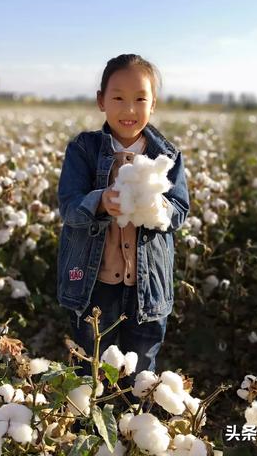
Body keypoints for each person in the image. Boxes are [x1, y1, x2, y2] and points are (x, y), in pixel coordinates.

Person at [57, 54, 190, 386]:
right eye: (118, 98)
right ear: (101, 101)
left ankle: (132, 429)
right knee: (88, 364)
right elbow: (69, 208)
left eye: (140, 99)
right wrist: (100, 201)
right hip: (95, 284)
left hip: (147, 287)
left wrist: (160, 209)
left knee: (140, 370)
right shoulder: (83, 150)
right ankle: (88, 421)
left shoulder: (167, 157)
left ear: (153, 104)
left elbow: (180, 211)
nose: (129, 109)